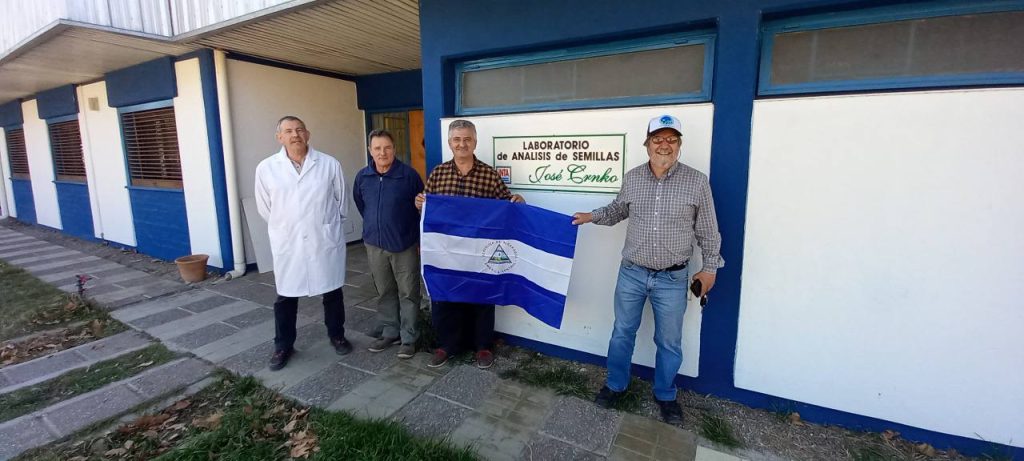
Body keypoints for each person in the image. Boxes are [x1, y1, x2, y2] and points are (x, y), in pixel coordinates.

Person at [571, 114, 723, 424]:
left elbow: (709, 231)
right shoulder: (633, 178)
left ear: (679, 144)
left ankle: (665, 395)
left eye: (671, 139)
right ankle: (615, 385)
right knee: (622, 333)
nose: (664, 145)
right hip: (632, 273)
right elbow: (618, 210)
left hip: (673, 278)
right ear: (647, 144)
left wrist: (710, 268)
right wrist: (591, 216)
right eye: (658, 139)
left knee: (669, 342)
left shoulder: (697, 181)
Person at [415, 119, 524, 369]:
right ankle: (447, 345)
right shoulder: (438, 173)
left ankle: (483, 346)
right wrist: (419, 203)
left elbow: (505, 206)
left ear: (475, 142)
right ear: (449, 143)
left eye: (467, 139)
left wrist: (518, 202)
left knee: (481, 297)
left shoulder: (489, 174)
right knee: (446, 297)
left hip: (478, 252)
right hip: (447, 250)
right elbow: (427, 208)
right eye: (457, 139)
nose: (462, 144)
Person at [255, 115, 353, 371]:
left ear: (307, 134)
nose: (295, 135)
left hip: (323, 239)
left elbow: (341, 202)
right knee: (286, 296)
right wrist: (289, 227)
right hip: (289, 242)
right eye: (288, 131)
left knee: (332, 291)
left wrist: (325, 226)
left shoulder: (329, 164)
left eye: (299, 130)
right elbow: (265, 209)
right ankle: (283, 345)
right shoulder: (266, 168)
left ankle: (337, 335)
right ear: (279, 137)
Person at [353, 129, 424, 359]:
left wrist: (416, 239)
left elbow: (420, 209)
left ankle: (409, 336)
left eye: (387, 147)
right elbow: (362, 205)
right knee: (384, 291)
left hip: (404, 244)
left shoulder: (409, 176)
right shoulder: (363, 177)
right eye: (377, 148)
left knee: (408, 292)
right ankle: (390, 331)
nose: (382, 152)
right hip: (375, 244)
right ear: (370, 150)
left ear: (394, 149)